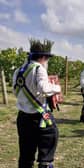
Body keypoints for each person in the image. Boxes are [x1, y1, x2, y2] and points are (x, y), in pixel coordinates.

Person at [13, 39, 61, 168]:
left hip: (22, 117)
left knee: (26, 154)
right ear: (44, 57)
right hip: (40, 117)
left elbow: (15, 91)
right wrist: (57, 88)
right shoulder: (39, 68)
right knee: (48, 148)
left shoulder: (18, 70)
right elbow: (44, 88)